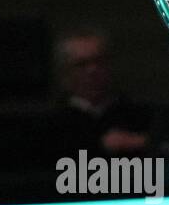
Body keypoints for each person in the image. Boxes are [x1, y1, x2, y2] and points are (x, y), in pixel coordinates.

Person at [50, 28, 154, 159]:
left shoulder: (137, 115)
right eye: (81, 64)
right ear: (65, 72)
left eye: (99, 61)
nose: (92, 70)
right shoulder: (53, 124)